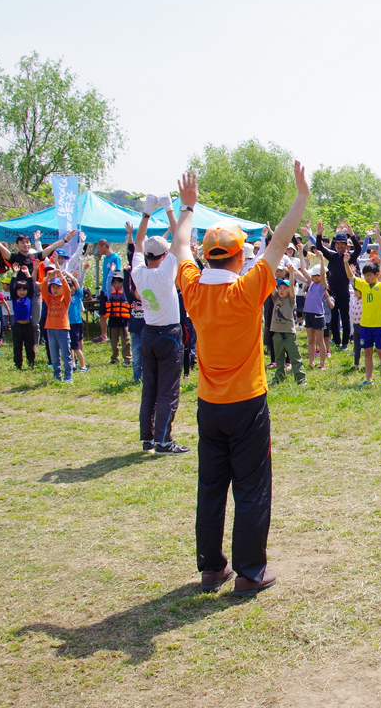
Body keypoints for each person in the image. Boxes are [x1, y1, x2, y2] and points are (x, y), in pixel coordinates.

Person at [175, 161, 308, 598]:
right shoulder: (246, 289)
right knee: (252, 487)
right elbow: (280, 240)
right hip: (248, 403)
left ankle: (212, 569)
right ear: (238, 255)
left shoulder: (193, 288)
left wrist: (188, 207)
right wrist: (301, 196)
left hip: (209, 406)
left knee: (211, 486)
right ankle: (251, 572)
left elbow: (180, 247)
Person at [131, 198, 188, 454]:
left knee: (149, 390)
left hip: (149, 333)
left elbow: (138, 242)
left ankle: (148, 439)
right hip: (169, 335)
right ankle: (164, 441)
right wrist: (168, 209)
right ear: (165, 255)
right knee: (168, 391)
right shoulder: (166, 271)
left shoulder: (138, 272)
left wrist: (146, 212)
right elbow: (179, 236)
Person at [350, 253, 381, 388]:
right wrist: (346, 264)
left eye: (370, 275)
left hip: (380, 325)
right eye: (365, 275)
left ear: (377, 274)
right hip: (365, 325)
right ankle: (368, 379)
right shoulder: (364, 285)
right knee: (367, 352)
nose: (367, 278)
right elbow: (350, 277)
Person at [268, 273, 306, 387]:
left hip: (289, 333)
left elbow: (292, 291)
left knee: (295, 357)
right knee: (278, 358)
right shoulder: (276, 299)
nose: (282, 290)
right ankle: (278, 378)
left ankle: (301, 380)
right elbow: (270, 285)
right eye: (280, 288)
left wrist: (290, 272)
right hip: (277, 333)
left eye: (285, 288)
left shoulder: (290, 300)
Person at [40, 265, 75, 383]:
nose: (55, 289)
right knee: (54, 356)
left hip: (62, 329)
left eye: (57, 287)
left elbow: (67, 290)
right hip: (50, 329)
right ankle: (57, 376)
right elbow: (43, 289)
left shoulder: (64, 300)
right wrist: (47, 278)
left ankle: (68, 376)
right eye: (53, 287)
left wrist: (61, 277)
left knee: (65, 355)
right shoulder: (49, 299)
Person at [105, 271, 133, 366]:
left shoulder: (125, 293)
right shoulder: (110, 293)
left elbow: (127, 283)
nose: (117, 285)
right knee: (113, 341)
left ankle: (127, 359)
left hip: (123, 321)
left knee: (125, 340)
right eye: (115, 282)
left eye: (119, 282)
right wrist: (111, 272)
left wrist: (126, 273)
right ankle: (114, 358)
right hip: (113, 320)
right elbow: (107, 283)